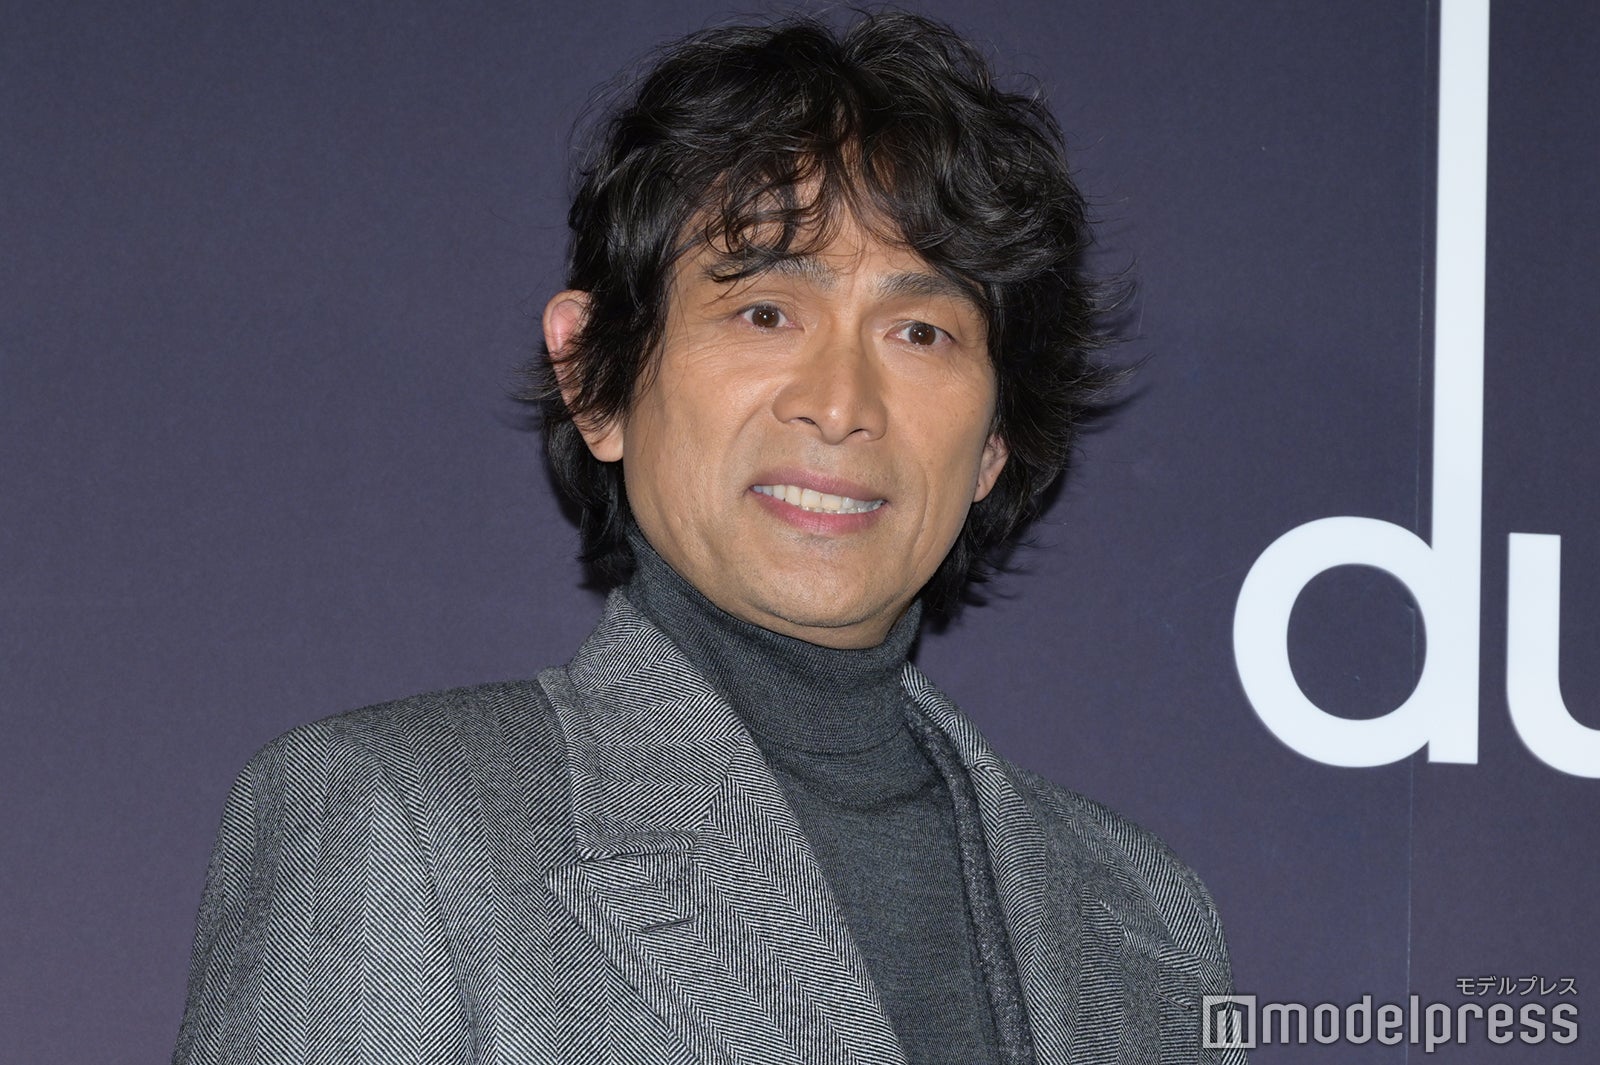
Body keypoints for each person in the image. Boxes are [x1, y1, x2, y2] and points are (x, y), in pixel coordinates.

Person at [174, 11, 1244, 1065]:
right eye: (764, 312)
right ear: (595, 378)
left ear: (993, 446)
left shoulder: (1147, 917)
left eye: (920, 331)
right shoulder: (397, 824)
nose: (841, 403)